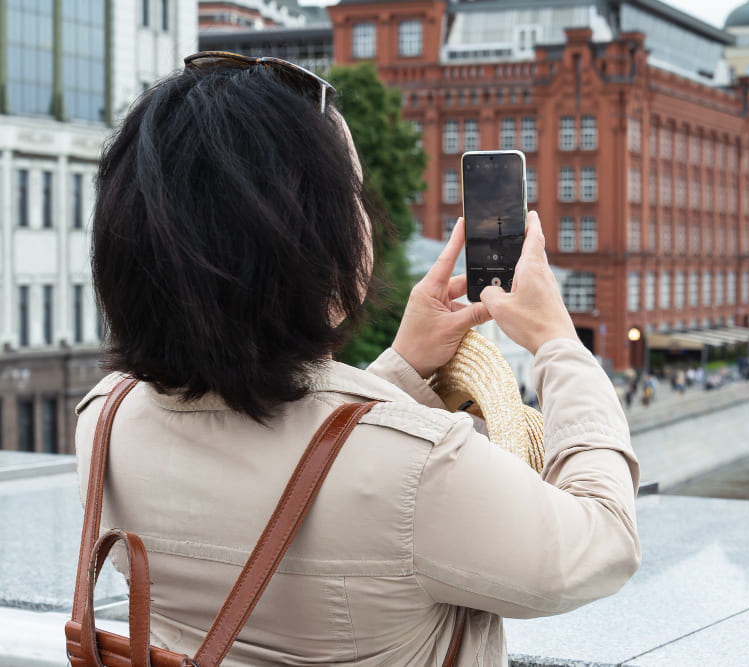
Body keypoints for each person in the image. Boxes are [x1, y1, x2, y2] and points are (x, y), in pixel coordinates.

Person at [75, 53, 640, 665]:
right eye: (350, 191)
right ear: (307, 238)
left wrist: (401, 368)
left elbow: (293, 462)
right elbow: (600, 544)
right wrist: (558, 342)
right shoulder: (422, 466)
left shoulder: (104, 421)